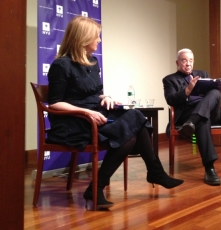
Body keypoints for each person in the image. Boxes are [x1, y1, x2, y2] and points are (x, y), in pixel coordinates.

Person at [47, 16, 183, 209]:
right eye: (97, 37)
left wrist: (105, 98)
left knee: (134, 118)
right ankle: (153, 172)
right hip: (73, 123)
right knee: (130, 134)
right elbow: (54, 104)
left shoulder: (92, 62)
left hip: (94, 115)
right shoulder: (61, 65)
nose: (99, 40)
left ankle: (99, 187)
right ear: (84, 38)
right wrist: (86, 111)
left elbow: (95, 93)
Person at [162, 48, 221, 186]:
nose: (188, 64)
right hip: (187, 113)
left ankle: (193, 121)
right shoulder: (169, 80)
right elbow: (170, 99)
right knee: (203, 120)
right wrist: (187, 90)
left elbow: (212, 97)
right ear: (177, 62)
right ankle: (210, 168)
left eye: (190, 61)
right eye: (184, 60)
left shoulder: (203, 74)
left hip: (209, 111)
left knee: (215, 92)